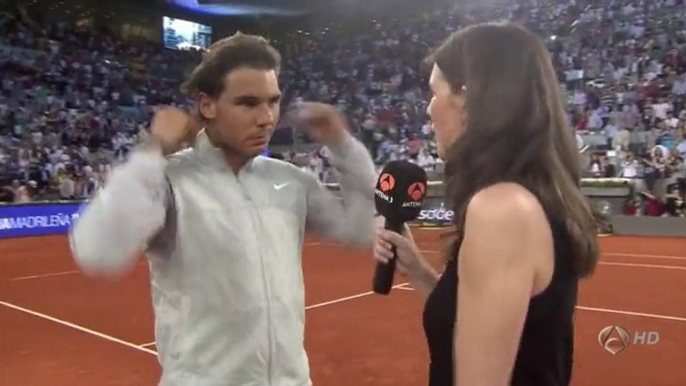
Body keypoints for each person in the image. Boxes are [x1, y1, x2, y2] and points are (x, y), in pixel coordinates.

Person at [70, 32, 377, 386]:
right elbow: (98, 250)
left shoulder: (289, 180)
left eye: (273, 101)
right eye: (248, 103)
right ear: (207, 105)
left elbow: (361, 228)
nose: (266, 118)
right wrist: (153, 150)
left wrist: (343, 146)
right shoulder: (169, 179)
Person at [373, 22, 600, 386]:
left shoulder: (501, 210)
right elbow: (477, 327)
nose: (429, 110)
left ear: (468, 96)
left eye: (435, 92)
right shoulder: (528, 197)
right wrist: (417, 270)